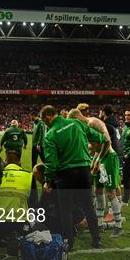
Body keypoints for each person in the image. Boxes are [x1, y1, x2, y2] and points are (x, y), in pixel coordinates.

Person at [41, 105, 107, 249]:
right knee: (89, 207)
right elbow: (99, 137)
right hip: (83, 170)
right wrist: (101, 143)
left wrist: (48, 181)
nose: (46, 125)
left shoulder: (50, 134)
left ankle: (68, 243)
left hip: (65, 174)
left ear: (48, 117)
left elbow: (51, 163)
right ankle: (97, 240)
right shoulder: (77, 123)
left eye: (45, 122)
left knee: (66, 209)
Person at [68, 109, 119, 236]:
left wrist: (98, 159)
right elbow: (96, 145)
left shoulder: (93, 122)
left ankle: (118, 225)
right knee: (98, 191)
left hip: (109, 157)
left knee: (110, 192)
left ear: (77, 118)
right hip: (99, 157)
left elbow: (107, 142)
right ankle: (99, 223)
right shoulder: (85, 126)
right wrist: (94, 159)